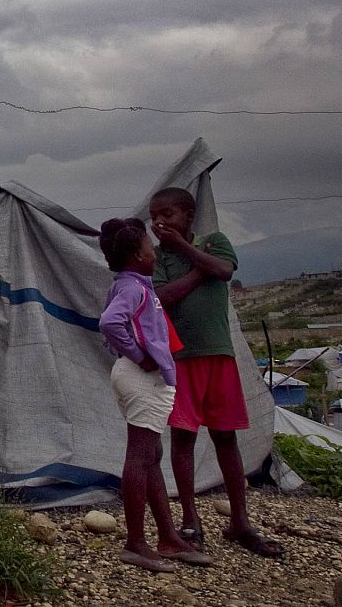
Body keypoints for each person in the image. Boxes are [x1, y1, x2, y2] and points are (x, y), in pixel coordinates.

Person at [151, 186, 283, 558]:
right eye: (154, 216)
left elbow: (224, 270)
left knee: (226, 437)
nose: (159, 222)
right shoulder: (159, 257)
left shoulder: (214, 241)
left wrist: (190, 253)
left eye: (167, 215)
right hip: (180, 359)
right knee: (183, 438)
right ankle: (191, 520)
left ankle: (240, 521)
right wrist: (199, 269)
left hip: (217, 355)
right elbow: (162, 298)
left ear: (188, 216)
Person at [98, 218, 211, 573]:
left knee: (150, 454)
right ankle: (136, 543)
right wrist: (140, 355)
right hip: (141, 378)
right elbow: (109, 322)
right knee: (140, 455)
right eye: (150, 248)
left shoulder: (131, 284)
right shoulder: (134, 288)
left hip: (138, 377)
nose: (155, 253)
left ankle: (166, 537)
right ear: (137, 255)